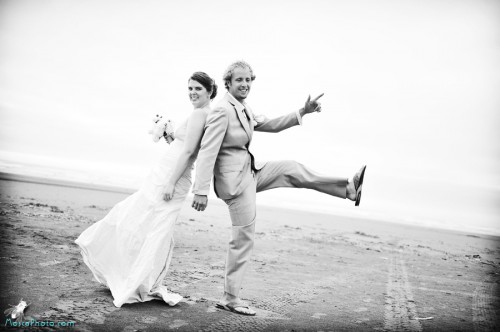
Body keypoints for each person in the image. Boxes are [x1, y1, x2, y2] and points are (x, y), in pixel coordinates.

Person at [191, 61, 366, 316]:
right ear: (228, 82)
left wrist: (302, 112)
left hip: (251, 172)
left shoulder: (243, 107)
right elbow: (207, 151)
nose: (245, 84)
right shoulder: (222, 111)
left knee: (291, 169)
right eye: (239, 80)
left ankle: (348, 190)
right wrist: (200, 190)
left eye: (249, 80)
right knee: (243, 237)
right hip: (236, 184)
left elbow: (270, 124)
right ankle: (230, 298)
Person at [75, 72, 218, 308]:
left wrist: (171, 182)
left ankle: (136, 280)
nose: (192, 92)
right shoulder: (201, 114)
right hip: (166, 172)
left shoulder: (201, 114)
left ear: (210, 91)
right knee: (143, 220)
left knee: (154, 229)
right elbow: (183, 146)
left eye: (198, 89)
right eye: (190, 88)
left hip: (172, 176)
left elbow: (189, 153)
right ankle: (134, 277)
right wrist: (169, 134)